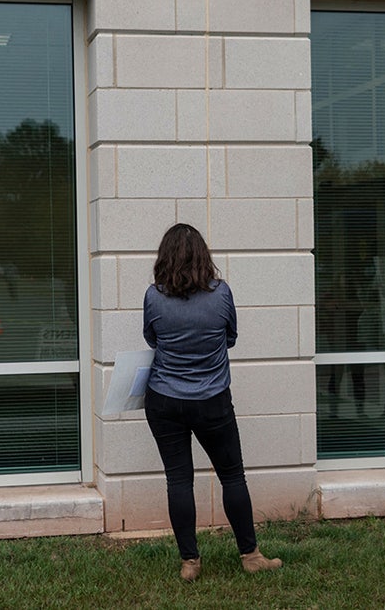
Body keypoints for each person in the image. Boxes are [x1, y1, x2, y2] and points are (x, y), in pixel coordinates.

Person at [142, 223, 282, 582]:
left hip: (164, 401)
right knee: (232, 476)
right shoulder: (222, 293)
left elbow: (152, 339)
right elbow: (231, 337)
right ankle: (250, 555)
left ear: (164, 258)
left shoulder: (153, 296)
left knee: (179, 480)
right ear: (204, 256)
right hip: (212, 400)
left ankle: (190, 562)